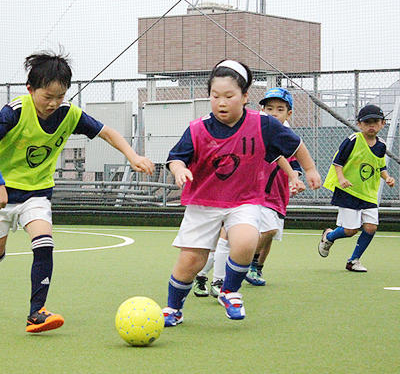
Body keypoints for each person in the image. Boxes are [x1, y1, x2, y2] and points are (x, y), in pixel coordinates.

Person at [0, 51, 154, 333]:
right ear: (30, 89)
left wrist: (133, 156)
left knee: (44, 242)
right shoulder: (16, 111)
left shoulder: (69, 114)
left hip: (37, 192)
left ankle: (36, 313)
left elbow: (107, 132)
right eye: (47, 96)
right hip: (0, 192)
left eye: (60, 96)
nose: (53, 103)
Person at [163, 59, 321, 324]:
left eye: (229, 96)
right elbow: (176, 157)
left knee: (246, 240)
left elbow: (296, 145)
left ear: (245, 96)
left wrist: (310, 169)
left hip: (244, 200)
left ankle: (229, 291)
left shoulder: (263, 124)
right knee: (191, 260)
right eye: (215, 96)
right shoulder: (197, 128)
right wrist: (179, 170)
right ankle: (173, 309)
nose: (221, 102)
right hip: (204, 201)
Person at [319, 104, 395, 272]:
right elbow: (337, 162)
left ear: (383, 123)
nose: (371, 125)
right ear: (359, 124)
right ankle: (329, 236)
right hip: (348, 192)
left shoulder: (381, 145)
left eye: (376, 121)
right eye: (367, 122)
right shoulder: (353, 140)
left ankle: (353, 260)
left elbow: (380, 166)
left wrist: (387, 177)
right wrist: (342, 179)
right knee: (350, 230)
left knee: (371, 227)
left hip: (368, 193)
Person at [245, 87, 306, 286]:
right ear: (262, 110)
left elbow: (296, 165)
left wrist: (295, 181)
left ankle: (256, 268)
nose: (273, 113)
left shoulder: (289, 139)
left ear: (289, 114)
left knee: (270, 235)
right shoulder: (256, 132)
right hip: (255, 193)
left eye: (280, 109)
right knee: (268, 230)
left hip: (278, 196)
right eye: (269, 108)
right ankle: (242, 262)